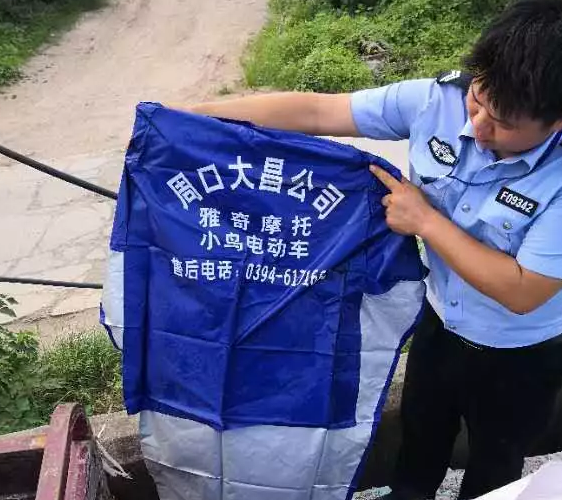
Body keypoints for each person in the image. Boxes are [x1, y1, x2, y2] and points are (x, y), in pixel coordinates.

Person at [179, 0, 562, 498]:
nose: (477, 125)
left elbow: (524, 290)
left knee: (497, 456)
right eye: (478, 99)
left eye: (503, 122)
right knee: (420, 433)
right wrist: (192, 120)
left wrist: (425, 221)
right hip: (440, 322)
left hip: (523, 352)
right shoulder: (436, 101)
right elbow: (318, 111)